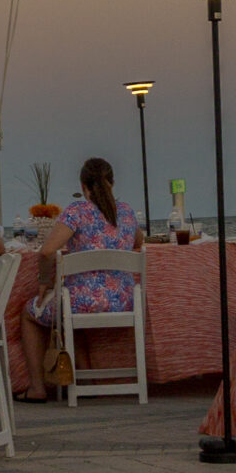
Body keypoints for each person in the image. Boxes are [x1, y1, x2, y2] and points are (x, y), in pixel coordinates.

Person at [19, 158, 140, 399]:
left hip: (81, 303)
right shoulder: (127, 211)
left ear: (83, 186)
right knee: (71, 311)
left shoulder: (77, 212)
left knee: (30, 313)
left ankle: (37, 388)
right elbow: (138, 242)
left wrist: (44, 282)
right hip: (125, 302)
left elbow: (46, 251)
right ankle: (86, 379)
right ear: (112, 183)